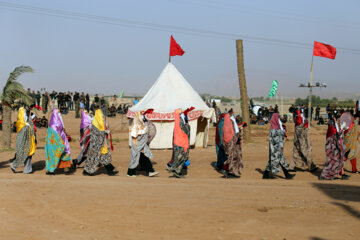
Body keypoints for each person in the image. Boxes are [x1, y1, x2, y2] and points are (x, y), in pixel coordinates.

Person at [83, 109, 118, 176]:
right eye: (101, 115)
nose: (102, 117)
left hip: (101, 145)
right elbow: (98, 134)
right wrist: (105, 132)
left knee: (104, 157)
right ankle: (87, 171)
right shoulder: (96, 124)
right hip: (96, 146)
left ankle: (110, 171)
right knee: (93, 158)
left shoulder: (98, 124)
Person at [262, 113, 295, 179]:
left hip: (277, 148)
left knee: (273, 160)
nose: (279, 118)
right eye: (278, 117)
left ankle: (266, 175)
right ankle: (287, 174)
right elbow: (276, 139)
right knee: (279, 159)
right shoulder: (274, 129)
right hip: (276, 148)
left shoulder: (276, 127)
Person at [127, 111, 159, 177]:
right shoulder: (137, 120)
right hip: (138, 140)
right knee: (137, 155)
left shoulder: (143, 118)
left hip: (142, 141)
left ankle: (149, 170)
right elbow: (137, 130)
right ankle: (149, 170)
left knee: (140, 155)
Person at [214, 112, 243, 178]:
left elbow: (226, 135)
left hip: (230, 142)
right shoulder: (231, 122)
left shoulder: (226, 123)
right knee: (235, 157)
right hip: (234, 142)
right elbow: (236, 132)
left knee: (232, 157)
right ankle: (235, 172)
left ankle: (232, 173)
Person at [45, 109, 72, 175]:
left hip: (56, 145)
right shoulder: (54, 126)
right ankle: (53, 170)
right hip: (57, 145)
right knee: (62, 151)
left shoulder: (52, 125)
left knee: (57, 153)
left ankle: (64, 168)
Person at [9, 107, 36, 174]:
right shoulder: (21, 125)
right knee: (24, 154)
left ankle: (27, 169)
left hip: (29, 142)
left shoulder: (27, 124)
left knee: (29, 154)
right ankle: (14, 165)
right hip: (25, 144)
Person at [167, 109, 190, 178]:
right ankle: (174, 169)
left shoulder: (180, 123)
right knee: (180, 158)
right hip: (180, 143)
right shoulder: (179, 124)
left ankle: (176, 170)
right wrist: (178, 112)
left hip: (181, 142)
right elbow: (186, 129)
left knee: (181, 158)